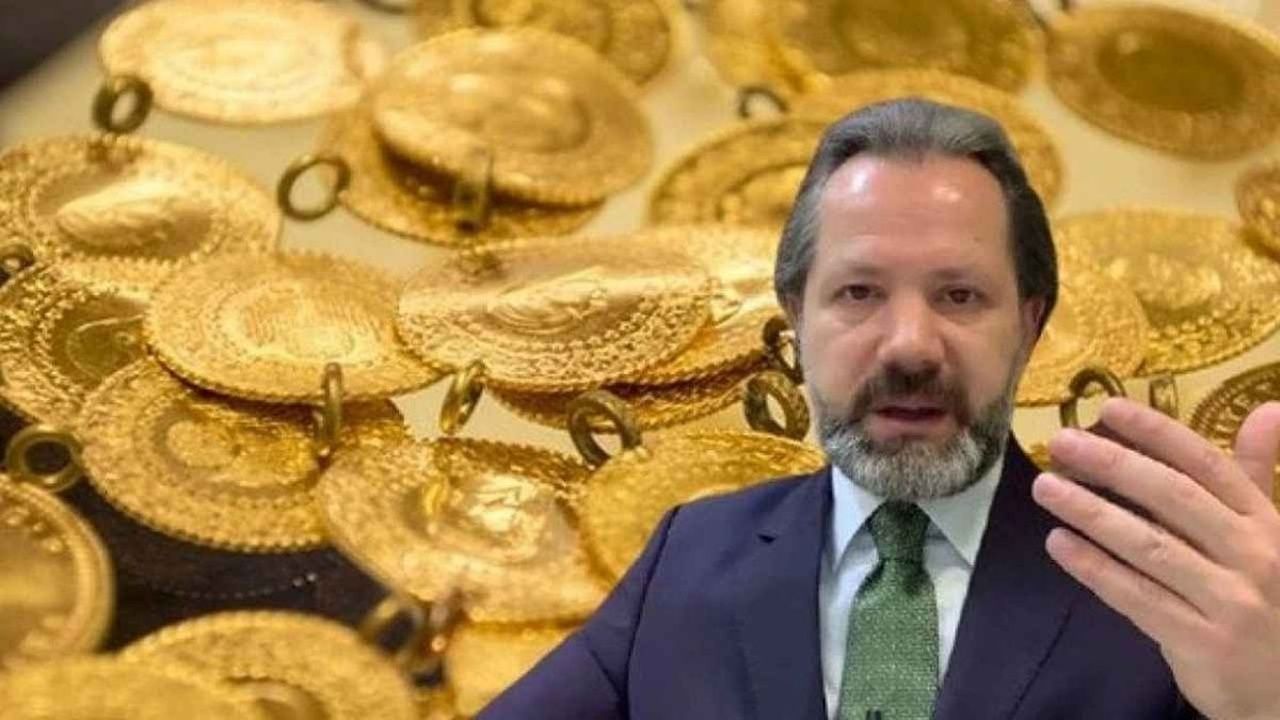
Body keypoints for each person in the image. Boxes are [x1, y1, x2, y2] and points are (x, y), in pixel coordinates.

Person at [478, 99, 1280, 719]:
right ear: (796, 320)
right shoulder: (689, 557)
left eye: (959, 296)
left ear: (1030, 325)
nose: (910, 346)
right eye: (859, 293)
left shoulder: (1168, 592)